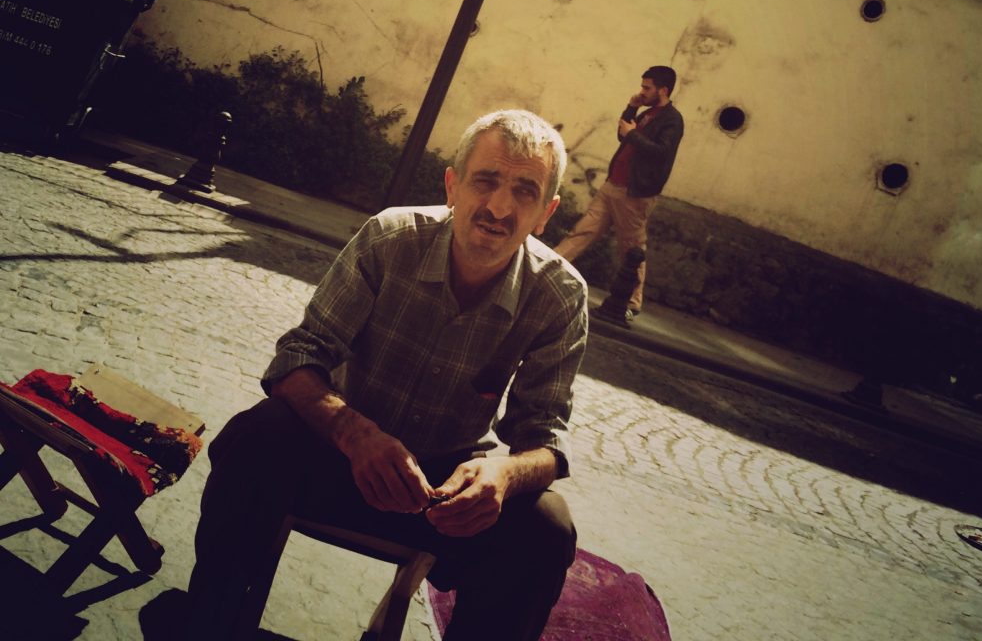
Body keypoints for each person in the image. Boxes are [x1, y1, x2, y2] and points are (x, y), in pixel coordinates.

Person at [185, 110, 588, 641]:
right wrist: (356, 434)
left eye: (525, 191)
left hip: (444, 497)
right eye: (485, 181)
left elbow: (546, 438)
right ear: (452, 184)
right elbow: (298, 356)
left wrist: (502, 477)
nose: (498, 207)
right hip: (334, 455)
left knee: (546, 527)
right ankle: (207, 625)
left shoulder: (559, 294)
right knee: (256, 435)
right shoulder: (389, 239)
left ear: (546, 213)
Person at [555, 66, 683, 326]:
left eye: (647, 88)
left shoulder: (672, 119)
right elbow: (623, 136)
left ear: (663, 90)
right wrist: (631, 109)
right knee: (582, 232)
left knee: (632, 248)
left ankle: (631, 303)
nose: (642, 91)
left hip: (635, 192)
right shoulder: (647, 114)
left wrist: (632, 133)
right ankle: (545, 270)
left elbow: (660, 152)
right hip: (613, 185)